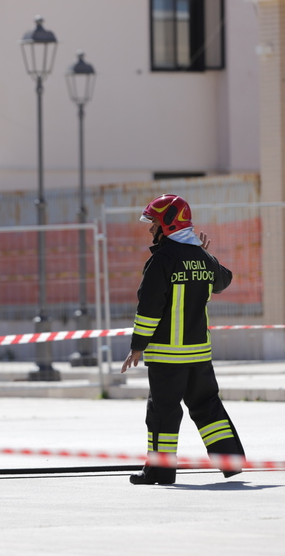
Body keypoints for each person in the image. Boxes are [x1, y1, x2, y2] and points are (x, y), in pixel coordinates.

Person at [121, 194, 245, 485]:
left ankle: (159, 472)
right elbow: (223, 281)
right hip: (199, 355)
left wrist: (137, 345)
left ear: (167, 223)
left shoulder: (162, 260)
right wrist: (205, 254)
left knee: (163, 413)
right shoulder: (201, 256)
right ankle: (231, 462)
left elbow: (149, 307)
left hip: (167, 356)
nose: (151, 230)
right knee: (208, 408)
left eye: (153, 223)